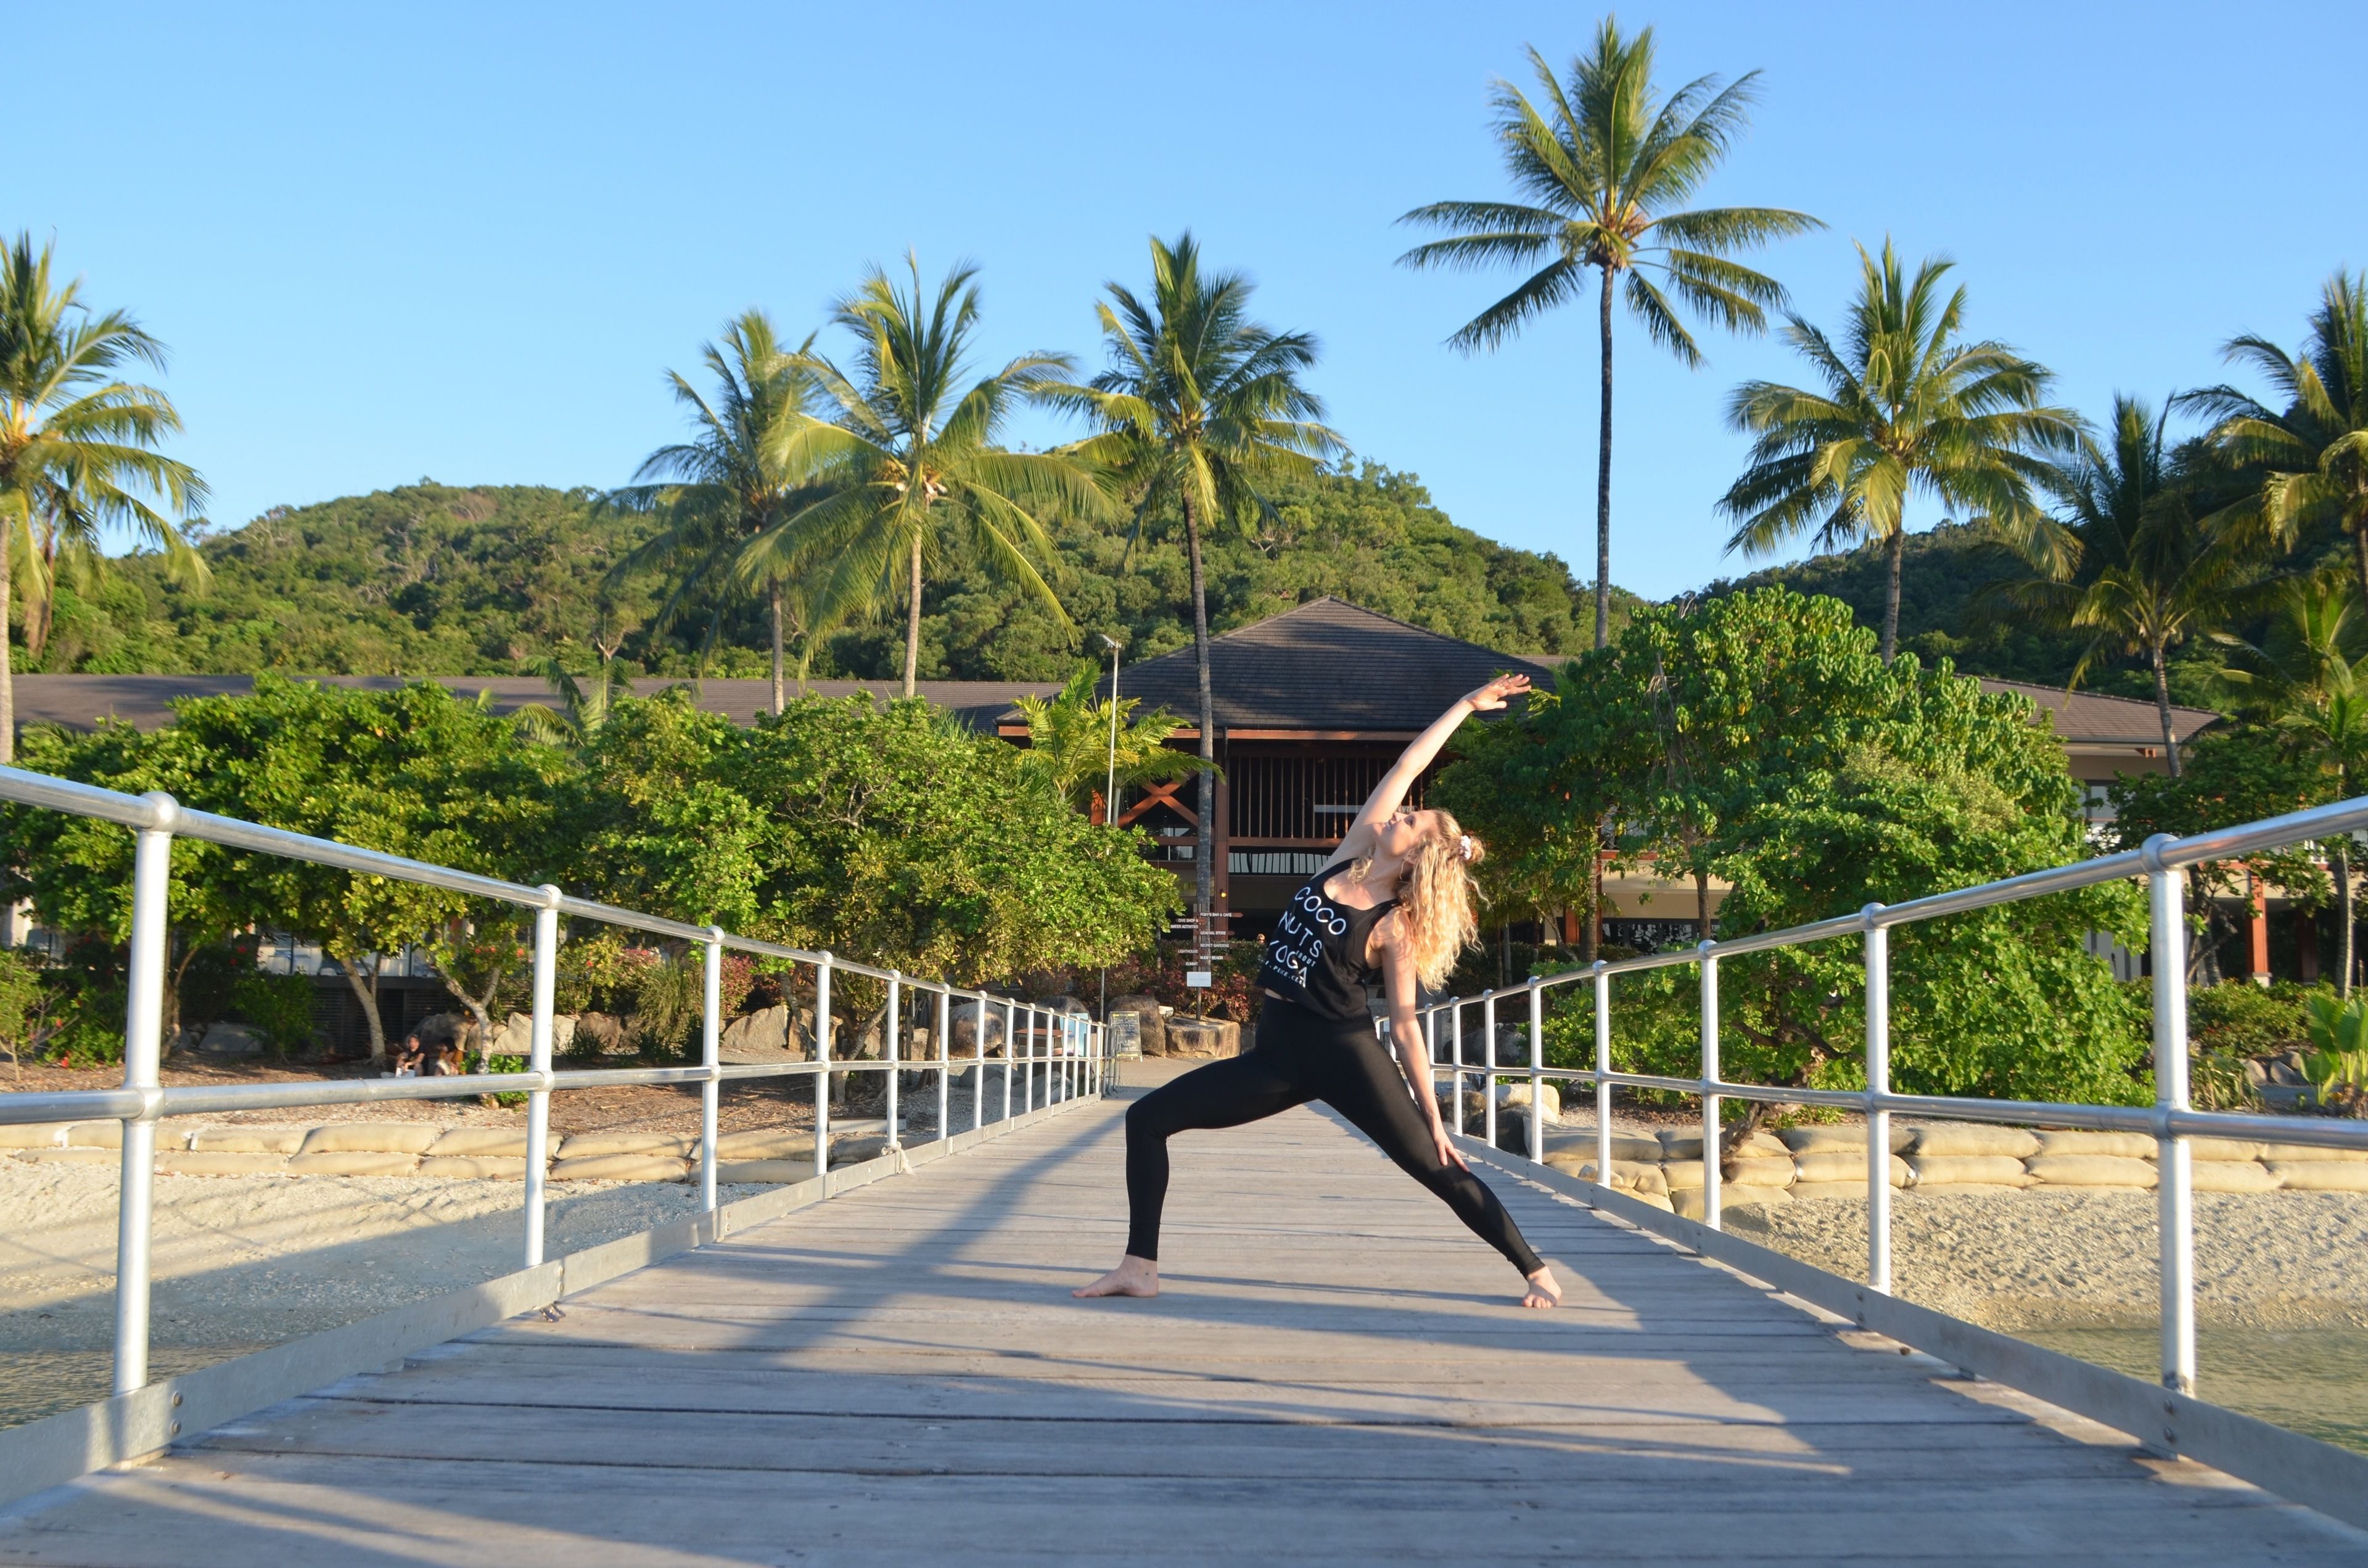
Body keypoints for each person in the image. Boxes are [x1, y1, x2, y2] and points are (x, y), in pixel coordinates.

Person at [1075, 675, 1560, 1310]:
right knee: (1146, 1119)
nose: (1399, 813)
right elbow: (1407, 763)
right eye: (1407, 810)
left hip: (1346, 1055)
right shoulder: (1351, 853)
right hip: (1276, 1055)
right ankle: (1140, 1267)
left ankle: (1535, 1268)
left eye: (1411, 820)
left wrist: (1433, 1114)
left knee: (1434, 1164)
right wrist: (1466, 706)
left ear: (1415, 858)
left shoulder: (1393, 925)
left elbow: (1406, 1025)